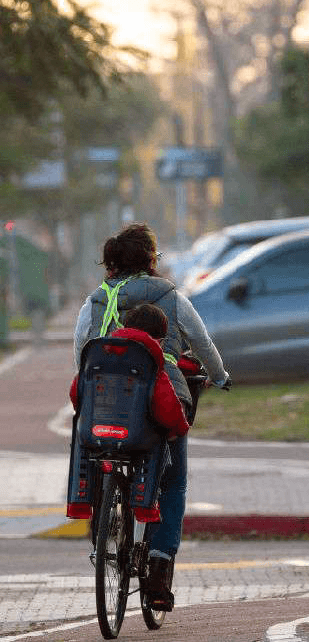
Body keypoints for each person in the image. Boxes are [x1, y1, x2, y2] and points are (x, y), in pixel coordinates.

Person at [74, 222, 231, 609]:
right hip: (157, 409)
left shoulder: (95, 300)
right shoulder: (171, 296)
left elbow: (81, 348)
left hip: (105, 407)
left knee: (96, 450)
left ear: (110, 262)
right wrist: (220, 376)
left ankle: (101, 511)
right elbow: (201, 341)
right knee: (173, 480)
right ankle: (159, 567)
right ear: (151, 260)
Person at [70, 303, 190, 441]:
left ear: (123, 328)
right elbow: (169, 411)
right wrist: (180, 429)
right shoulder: (152, 368)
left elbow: (77, 391)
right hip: (136, 438)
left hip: (96, 432)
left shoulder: (100, 357)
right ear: (160, 341)